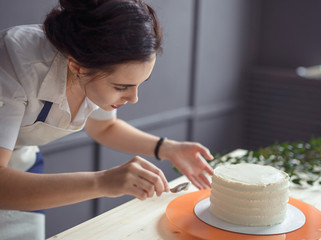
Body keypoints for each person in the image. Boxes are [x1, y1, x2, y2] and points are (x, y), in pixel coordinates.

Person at [0, 0, 214, 239]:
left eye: (139, 84)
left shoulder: (92, 65)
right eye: (122, 86)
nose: (134, 98)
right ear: (76, 66)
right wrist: (102, 182)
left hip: (22, 161)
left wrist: (168, 148)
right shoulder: (14, 59)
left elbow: (104, 127)